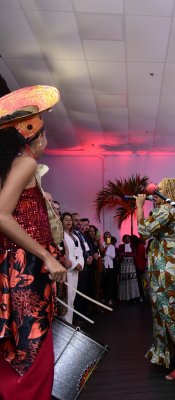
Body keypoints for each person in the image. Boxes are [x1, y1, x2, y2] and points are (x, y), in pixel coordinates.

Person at [0, 85, 66, 400]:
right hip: (25, 268)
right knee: (33, 354)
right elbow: (2, 216)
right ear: (35, 136)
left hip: (15, 266)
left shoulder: (14, 166)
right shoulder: (24, 162)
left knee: (18, 350)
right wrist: (47, 256)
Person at [136, 178, 175, 380]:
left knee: (168, 314)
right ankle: (172, 356)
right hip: (172, 268)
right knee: (168, 313)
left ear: (168, 192)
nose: (154, 194)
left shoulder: (167, 210)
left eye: (159, 190)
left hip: (164, 270)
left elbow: (142, 233)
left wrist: (139, 207)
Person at [61, 212, 84, 324]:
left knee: (72, 298)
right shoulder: (61, 235)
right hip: (68, 270)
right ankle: (65, 323)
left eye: (70, 219)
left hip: (76, 271)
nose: (69, 221)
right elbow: (66, 254)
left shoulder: (75, 236)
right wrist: (75, 264)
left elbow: (80, 252)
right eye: (66, 219)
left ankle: (69, 323)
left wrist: (80, 264)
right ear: (61, 222)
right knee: (67, 297)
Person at [117, 234, 141, 302]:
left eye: (128, 238)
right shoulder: (121, 246)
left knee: (132, 280)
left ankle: (132, 296)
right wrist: (128, 254)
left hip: (131, 265)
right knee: (124, 280)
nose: (127, 239)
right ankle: (124, 297)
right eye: (126, 238)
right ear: (123, 239)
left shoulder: (132, 246)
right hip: (124, 265)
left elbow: (134, 254)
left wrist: (126, 254)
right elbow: (120, 254)